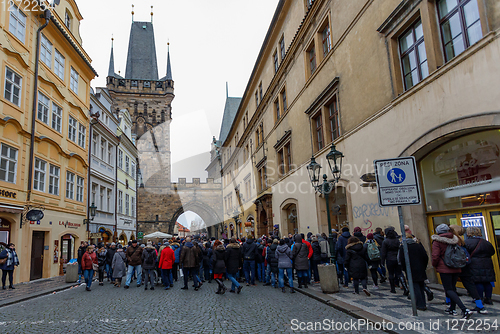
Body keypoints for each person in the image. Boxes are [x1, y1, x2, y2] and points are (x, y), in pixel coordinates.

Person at [431, 224, 473, 319]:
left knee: (448, 289)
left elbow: (435, 256)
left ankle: (464, 309)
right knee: (452, 288)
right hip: (456, 266)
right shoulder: (455, 239)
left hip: (445, 268)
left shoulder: (437, 241)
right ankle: (452, 308)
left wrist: (434, 264)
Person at [464, 226, 496, 308]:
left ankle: (479, 298)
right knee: (487, 281)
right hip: (487, 263)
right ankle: (488, 298)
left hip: (474, 264)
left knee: (478, 281)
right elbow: (492, 252)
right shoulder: (486, 242)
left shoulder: (467, 242)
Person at [398, 232, 429, 311]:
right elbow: (425, 257)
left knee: (415, 287)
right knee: (421, 287)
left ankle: (420, 304)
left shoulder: (403, 247)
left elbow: (401, 260)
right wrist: (423, 266)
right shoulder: (418, 246)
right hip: (420, 269)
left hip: (411, 269)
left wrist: (405, 269)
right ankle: (423, 303)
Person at [381, 227, 407, 295]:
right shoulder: (397, 240)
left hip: (389, 259)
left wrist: (382, 262)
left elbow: (383, 252)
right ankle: (405, 288)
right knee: (399, 273)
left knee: (391, 273)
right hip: (398, 258)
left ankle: (393, 289)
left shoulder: (385, 241)